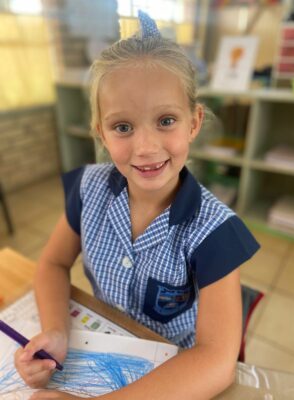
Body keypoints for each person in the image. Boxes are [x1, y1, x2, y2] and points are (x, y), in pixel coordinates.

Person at [14, 10, 260, 400]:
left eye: (166, 120)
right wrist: (57, 330)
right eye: (123, 127)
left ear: (194, 122)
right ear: (101, 133)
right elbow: (53, 263)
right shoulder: (88, 188)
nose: (145, 148)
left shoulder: (214, 231)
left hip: (173, 374)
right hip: (102, 344)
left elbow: (216, 361)